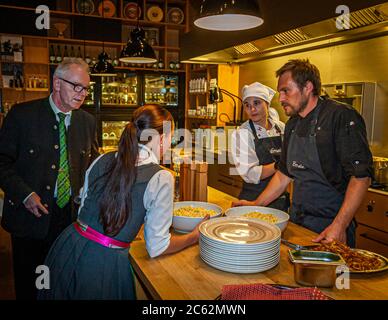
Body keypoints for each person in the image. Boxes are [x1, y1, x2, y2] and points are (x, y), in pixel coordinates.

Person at [38, 104, 204, 300]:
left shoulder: (101, 159)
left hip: (68, 246)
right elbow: (157, 247)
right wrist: (194, 236)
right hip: (104, 263)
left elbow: (84, 204)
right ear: (162, 138)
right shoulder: (161, 177)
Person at [233, 59, 373, 247]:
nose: (281, 98)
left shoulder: (340, 116)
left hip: (330, 226)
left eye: (286, 91)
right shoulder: (293, 124)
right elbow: (283, 174)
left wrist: (340, 225)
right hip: (297, 221)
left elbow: (361, 177)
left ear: (307, 87)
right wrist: (256, 204)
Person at [0, 58, 99, 300]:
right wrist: (25, 194)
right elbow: (1, 163)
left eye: (86, 88)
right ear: (56, 83)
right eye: (76, 86)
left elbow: (93, 167)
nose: (82, 93)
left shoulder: (87, 121)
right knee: (32, 283)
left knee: (64, 281)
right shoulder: (22, 116)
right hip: (30, 217)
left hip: (70, 218)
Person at [231, 82, 289, 211]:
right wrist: (279, 165)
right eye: (247, 105)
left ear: (267, 104)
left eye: (256, 103)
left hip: (281, 200)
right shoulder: (242, 133)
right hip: (252, 200)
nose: (252, 109)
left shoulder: (282, 128)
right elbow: (251, 174)